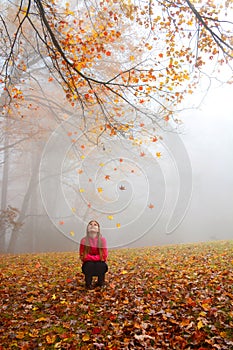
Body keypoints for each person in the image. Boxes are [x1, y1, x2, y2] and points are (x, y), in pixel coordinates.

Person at [79, 220, 108, 289]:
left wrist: (90, 258)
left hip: (100, 264)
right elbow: (83, 256)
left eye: (95, 224)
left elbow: (104, 256)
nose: (92, 225)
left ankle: (101, 282)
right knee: (89, 264)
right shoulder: (84, 240)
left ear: (98, 229)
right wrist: (96, 258)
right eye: (90, 224)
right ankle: (88, 284)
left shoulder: (102, 240)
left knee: (100, 264)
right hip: (88, 265)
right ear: (87, 228)